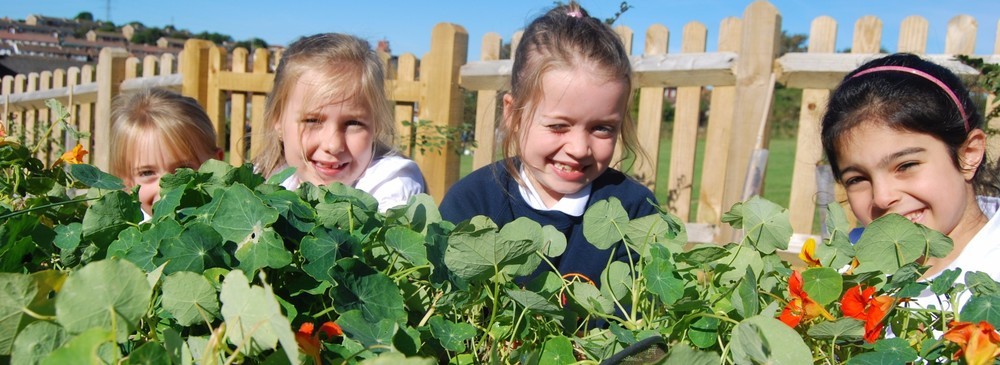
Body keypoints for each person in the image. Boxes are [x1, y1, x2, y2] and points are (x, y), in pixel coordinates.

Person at [439, 2, 658, 286]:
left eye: (602, 128)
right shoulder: (472, 203)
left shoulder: (636, 211)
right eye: (558, 126)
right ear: (512, 115)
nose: (579, 148)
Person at [820, 53, 1000, 307]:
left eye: (906, 165)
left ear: (969, 154)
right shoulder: (847, 266)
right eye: (857, 178)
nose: (882, 197)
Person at [254, 33, 425, 212]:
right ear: (278, 121)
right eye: (312, 120)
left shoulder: (392, 181)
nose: (333, 145)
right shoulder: (267, 178)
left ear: (376, 126)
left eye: (353, 123)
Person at [109, 88, 223, 216]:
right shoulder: (129, 234)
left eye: (183, 169)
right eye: (147, 173)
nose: (165, 190)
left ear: (217, 163)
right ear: (126, 181)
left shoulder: (236, 225)